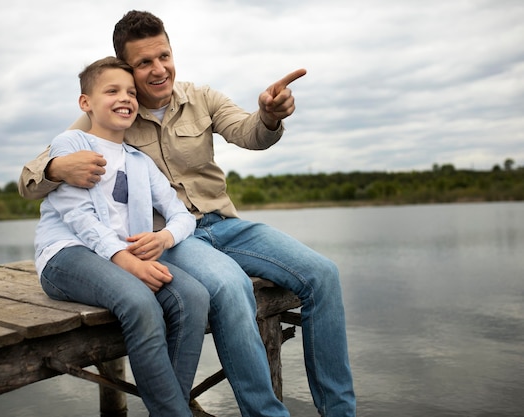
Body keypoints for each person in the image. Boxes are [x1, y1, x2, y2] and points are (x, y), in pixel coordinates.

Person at [21, 10, 356, 417]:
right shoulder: (111, 112)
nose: (159, 68)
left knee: (323, 275)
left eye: (164, 55)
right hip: (172, 239)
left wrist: (269, 115)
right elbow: (32, 177)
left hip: (225, 224)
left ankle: (340, 411)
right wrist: (57, 168)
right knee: (233, 287)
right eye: (144, 62)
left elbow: (249, 133)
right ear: (128, 68)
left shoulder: (202, 97)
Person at [34, 56, 209, 417]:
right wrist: (126, 261)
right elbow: (78, 217)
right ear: (86, 104)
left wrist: (164, 239)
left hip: (123, 258)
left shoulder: (139, 161)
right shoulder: (71, 144)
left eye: (131, 92)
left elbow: (181, 214)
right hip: (67, 254)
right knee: (140, 302)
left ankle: (171, 408)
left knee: (193, 296)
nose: (125, 98)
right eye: (112, 90)